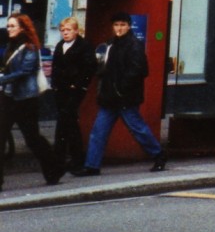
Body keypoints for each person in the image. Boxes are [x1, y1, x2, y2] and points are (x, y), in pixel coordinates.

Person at [72, 12, 166, 176]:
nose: (119, 28)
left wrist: (121, 88)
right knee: (98, 132)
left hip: (124, 97)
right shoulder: (111, 43)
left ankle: (159, 155)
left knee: (137, 129)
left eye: (122, 25)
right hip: (110, 97)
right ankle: (92, 166)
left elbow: (140, 70)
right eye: (116, 25)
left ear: (128, 26)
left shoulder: (134, 44)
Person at [1, 14, 67, 190]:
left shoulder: (30, 47)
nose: (9, 29)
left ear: (22, 28)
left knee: (32, 138)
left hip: (26, 99)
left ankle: (54, 168)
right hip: (8, 96)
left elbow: (25, 71)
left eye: (12, 26)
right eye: (8, 26)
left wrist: (2, 79)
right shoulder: (10, 45)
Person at [51, 16, 98, 173]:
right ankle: (72, 159)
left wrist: (78, 84)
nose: (65, 33)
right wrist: (55, 85)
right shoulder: (60, 46)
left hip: (74, 90)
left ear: (76, 31)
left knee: (65, 120)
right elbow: (55, 67)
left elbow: (90, 67)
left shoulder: (84, 46)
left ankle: (64, 159)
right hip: (61, 89)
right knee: (68, 122)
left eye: (68, 30)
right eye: (63, 30)